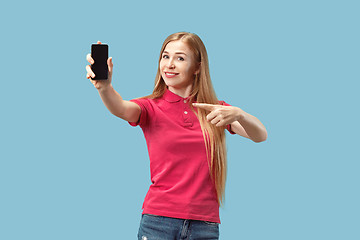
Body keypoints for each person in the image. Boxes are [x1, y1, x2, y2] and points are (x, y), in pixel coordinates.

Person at [86, 32, 267, 240]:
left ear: (197, 67)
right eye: (165, 56)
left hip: (204, 224)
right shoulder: (150, 107)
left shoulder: (215, 109)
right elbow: (120, 108)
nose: (169, 64)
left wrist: (240, 114)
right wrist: (105, 88)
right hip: (157, 221)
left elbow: (260, 135)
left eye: (180, 58)